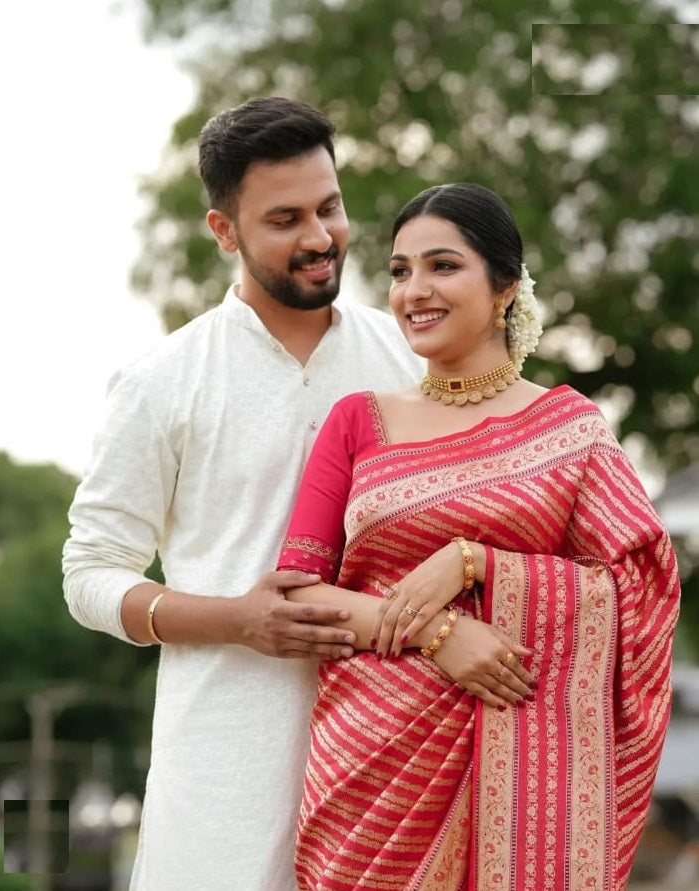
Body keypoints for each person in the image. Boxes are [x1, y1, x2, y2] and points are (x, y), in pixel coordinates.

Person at [61, 96, 428, 891]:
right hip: (220, 785)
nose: (318, 237)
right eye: (284, 218)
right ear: (223, 231)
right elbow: (89, 572)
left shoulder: (411, 359)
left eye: (329, 207)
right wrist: (236, 619)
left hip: (394, 769)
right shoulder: (163, 380)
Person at [275, 182, 681, 890]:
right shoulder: (356, 420)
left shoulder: (569, 429)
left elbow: (638, 589)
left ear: (504, 289)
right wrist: (438, 633)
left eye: (442, 266)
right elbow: (298, 597)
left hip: (523, 748)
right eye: (400, 271)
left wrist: (475, 562)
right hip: (369, 768)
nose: (413, 291)